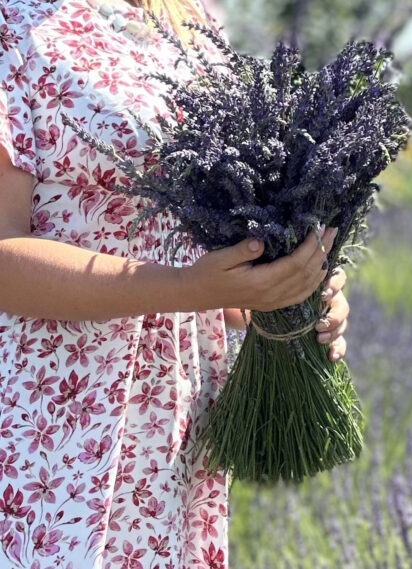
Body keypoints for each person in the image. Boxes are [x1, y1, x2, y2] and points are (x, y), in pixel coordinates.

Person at [0, 0, 350, 567]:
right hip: (51, 420)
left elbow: (214, 259)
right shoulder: (13, 23)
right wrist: (190, 287)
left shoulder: (189, 20)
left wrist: (289, 293)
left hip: (173, 425)